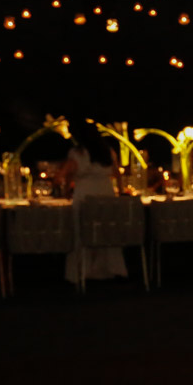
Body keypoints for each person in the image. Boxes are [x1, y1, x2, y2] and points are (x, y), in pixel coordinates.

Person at [61, 118, 126, 284]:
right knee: (106, 231)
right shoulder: (107, 152)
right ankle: (106, 269)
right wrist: (120, 193)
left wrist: (66, 188)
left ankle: (83, 270)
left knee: (82, 231)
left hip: (85, 194)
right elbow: (117, 174)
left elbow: (64, 174)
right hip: (106, 193)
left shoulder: (77, 154)